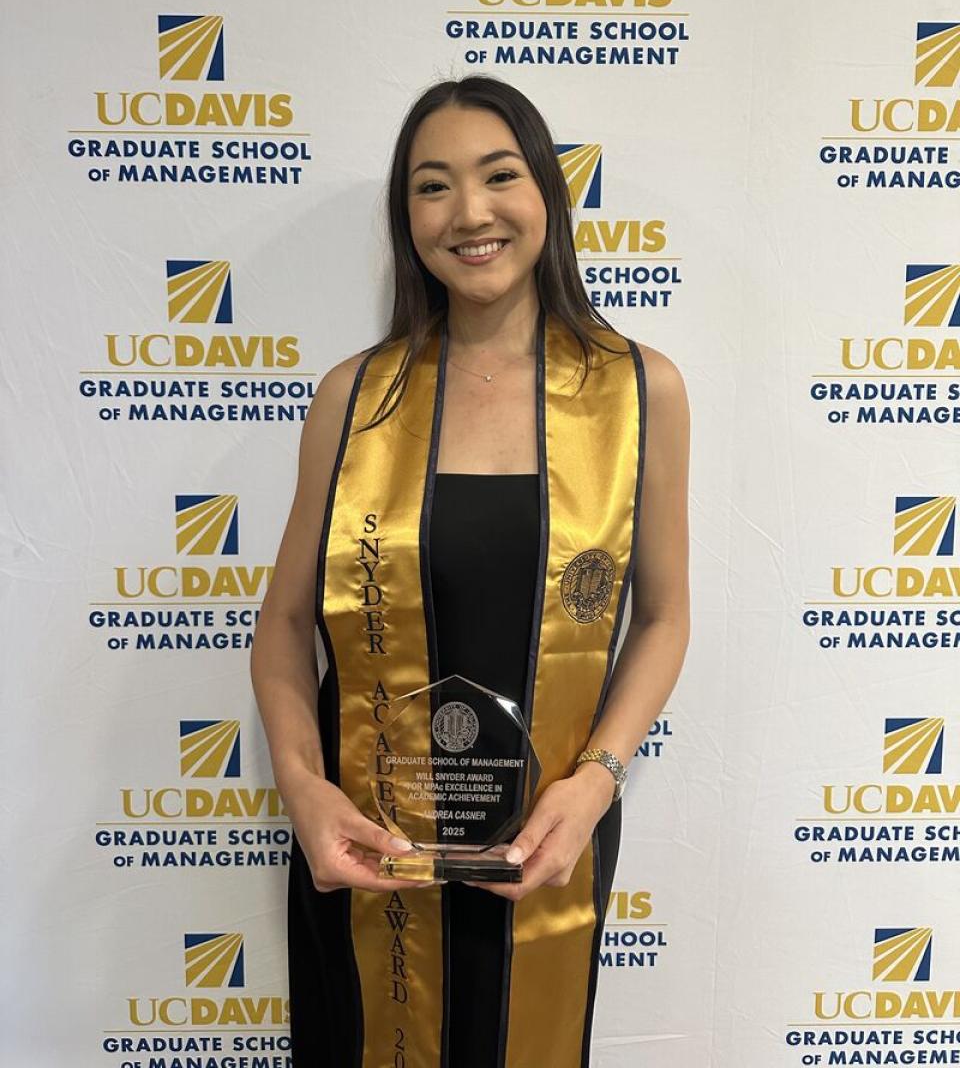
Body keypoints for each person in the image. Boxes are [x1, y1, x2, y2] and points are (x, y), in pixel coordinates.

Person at [250, 74, 690, 1068]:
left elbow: (663, 617)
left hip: (546, 835)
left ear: (546, 193)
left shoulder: (637, 391)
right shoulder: (353, 396)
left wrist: (596, 784)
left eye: (499, 175)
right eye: (432, 186)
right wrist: (302, 787)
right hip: (365, 843)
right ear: (407, 221)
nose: (471, 212)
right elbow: (282, 628)